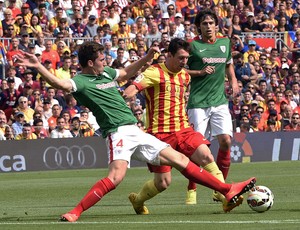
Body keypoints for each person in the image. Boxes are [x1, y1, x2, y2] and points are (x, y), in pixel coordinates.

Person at [15, 41, 255, 223]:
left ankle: (227, 189)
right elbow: (60, 84)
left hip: (136, 130)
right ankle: (75, 211)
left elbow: (126, 73)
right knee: (115, 178)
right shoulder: (81, 81)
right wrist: (39, 67)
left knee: (181, 160)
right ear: (90, 63)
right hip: (117, 133)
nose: (105, 61)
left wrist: (147, 57)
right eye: (101, 58)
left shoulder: (107, 73)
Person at [124, 38, 243, 214]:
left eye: (187, 58)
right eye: (181, 58)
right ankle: (138, 200)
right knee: (163, 183)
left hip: (183, 130)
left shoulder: (184, 75)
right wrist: (125, 104)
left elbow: (191, 75)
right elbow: (132, 89)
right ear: (169, 55)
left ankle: (224, 196)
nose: (184, 62)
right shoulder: (153, 72)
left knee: (206, 156)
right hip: (160, 135)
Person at [186, 10, 240, 204]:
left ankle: (220, 188)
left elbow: (228, 65)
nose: (208, 26)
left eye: (211, 23)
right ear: (198, 27)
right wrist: (199, 72)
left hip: (219, 101)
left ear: (217, 25)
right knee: (198, 150)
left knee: (225, 141)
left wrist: (233, 81)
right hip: (198, 104)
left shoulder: (225, 43)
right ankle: (191, 189)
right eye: (204, 23)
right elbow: (180, 70)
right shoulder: (192, 46)